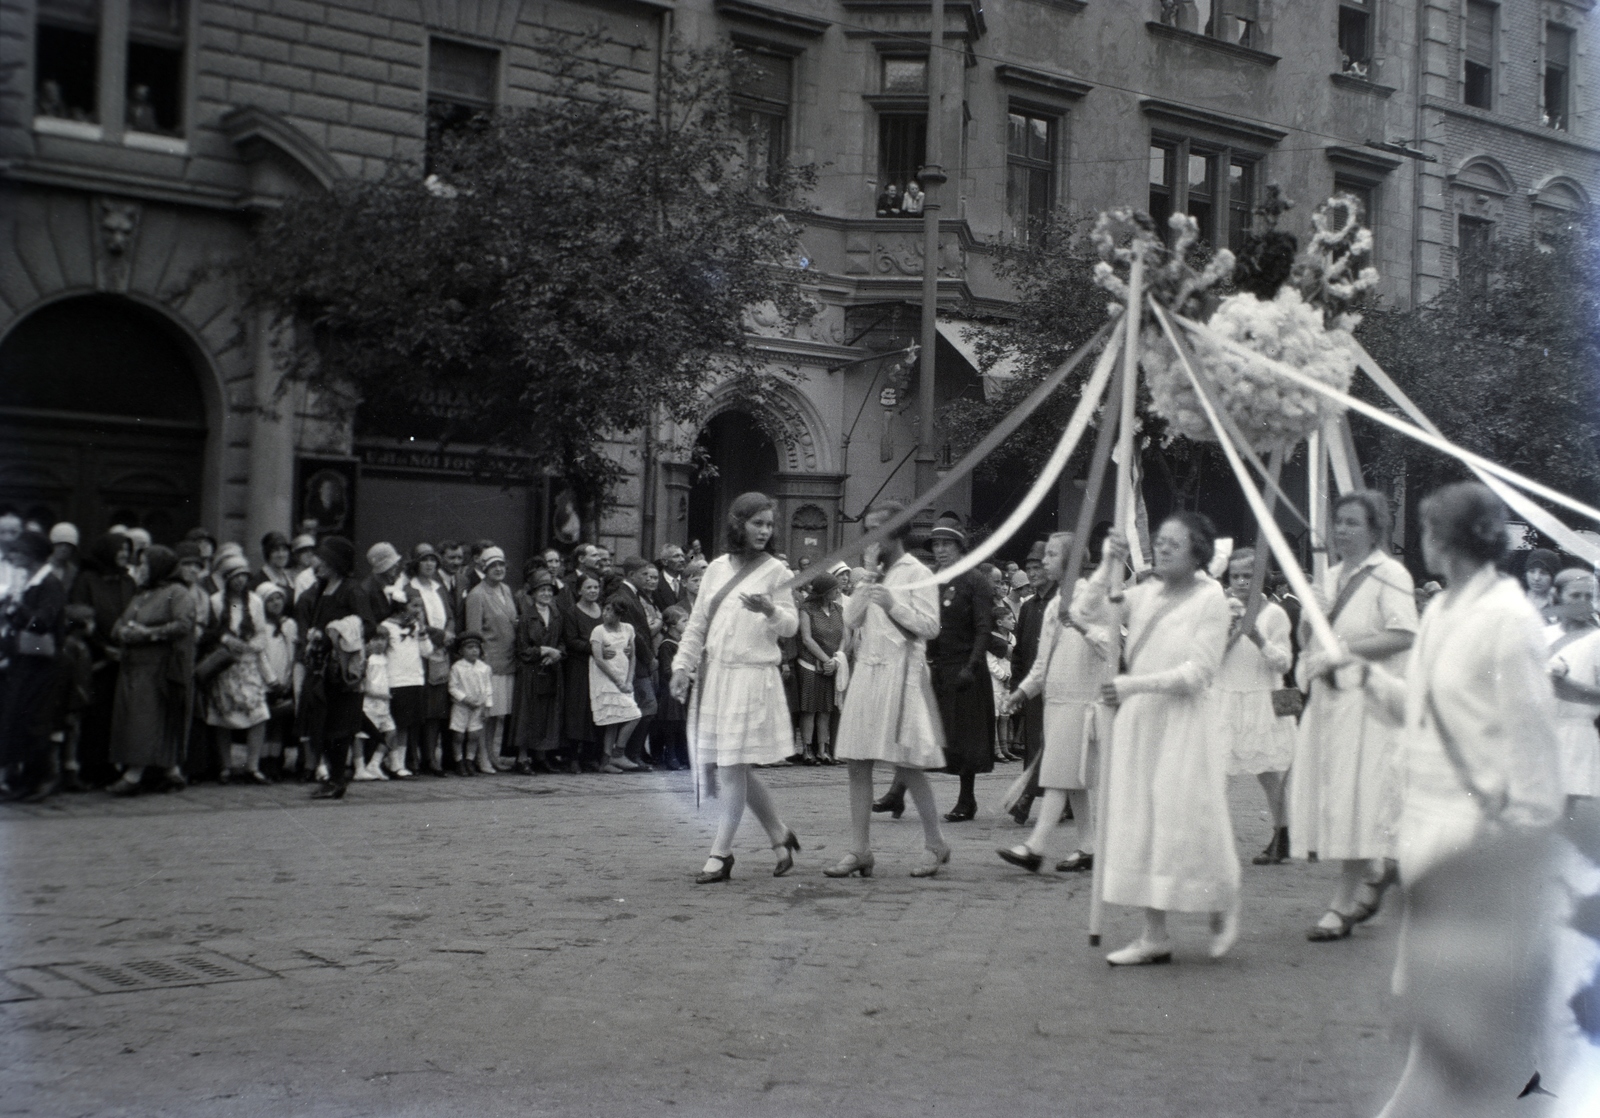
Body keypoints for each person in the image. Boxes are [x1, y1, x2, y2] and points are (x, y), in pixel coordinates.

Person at [1358, 483, 1562, 1118]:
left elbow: (1533, 743)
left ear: (1443, 540)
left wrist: (1523, 844)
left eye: (1427, 530)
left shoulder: (1509, 619)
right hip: (1425, 822)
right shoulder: (1443, 612)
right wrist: (1361, 677)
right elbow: (1419, 716)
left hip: (1478, 830)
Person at [1082, 514, 1241, 965]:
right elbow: (1081, 612)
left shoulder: (1211, 598)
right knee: (1142, 820)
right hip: (1140, 724)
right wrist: (1105, 566)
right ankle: (1154, 934)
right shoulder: (1144, 591)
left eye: (1174, 543)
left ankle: (1222, 898)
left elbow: (1199, 673)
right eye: (1159, 542)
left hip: (1184, 723)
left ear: (1198, 550)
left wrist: (1132, 685)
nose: (1163, 549)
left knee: (1187, 818)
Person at [1289, 491, 1418, 942]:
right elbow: (1311, 636)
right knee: (1336, 796)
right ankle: (1383, 867)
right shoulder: (1333, 574)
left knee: (1355, 799)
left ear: (1374, 529)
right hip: (1331, 703)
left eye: (1351, 522)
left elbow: (1403, 634)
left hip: (1370, 708)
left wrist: (1341, 652)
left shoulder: (1390, 573)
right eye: (1337, 521)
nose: (1341, 530)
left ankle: (1342, 903)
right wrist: (1310, 621)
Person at [669, 492, 802, 884]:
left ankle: (720, 853)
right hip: (719, 676)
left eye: (768, 525)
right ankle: (779, 833)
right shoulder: (715, 569)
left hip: (752, 677)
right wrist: (681, 666)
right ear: (738, 524)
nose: (764, 531)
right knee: (734, 765)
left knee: (730, 767)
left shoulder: (776, 571)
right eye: (757, 523)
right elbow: (697, 624)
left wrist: (770, 611)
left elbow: (792, 626)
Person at [825, 501, 951, 879]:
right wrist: (868, 580)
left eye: (877, 528)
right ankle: (860, 849)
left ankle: (936, 843)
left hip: (903, 673)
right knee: (857, 761)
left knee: (908, 764)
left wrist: (894, 604)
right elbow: (851, 618)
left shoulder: (919, 572)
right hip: (868, 669)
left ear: (897, 531)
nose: (870, 536)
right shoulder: (870, 574)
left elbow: (930, 628)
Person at [997, 530, 1111, 875]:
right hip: (1056, 703)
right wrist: (1022, 692)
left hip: (1082, 702)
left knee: (1060, 776)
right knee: (1071, 779)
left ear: (1071, 560)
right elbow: (1043, 663)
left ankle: (1036, 846)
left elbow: (1109, 647)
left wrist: (1081, 626)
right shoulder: (1051, 605)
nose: (1043, 561)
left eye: (1051, 555)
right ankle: (1089, 847)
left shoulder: (1092, 599)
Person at [1216, 548, 1298, 866]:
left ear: (1260, 577)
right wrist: (1230, 633)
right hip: (1227, 699)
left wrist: (1259, 639)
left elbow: (1284, 660)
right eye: (1234, 576)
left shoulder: (1274, 614)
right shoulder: (1223, 610)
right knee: (1218, 772)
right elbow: (1210, 658)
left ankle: (1283, 834)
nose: (1239, 582)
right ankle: (1212, 841)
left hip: (1260, 699)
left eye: (1247, 576)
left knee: (1268, 774)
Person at [106, 545, 197, 795]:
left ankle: (134, 775)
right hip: (134, 668)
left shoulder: (177, 593)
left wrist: (149, 634)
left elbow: (183, 624)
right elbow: (119, 625)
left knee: (146, 721)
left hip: (159, 669)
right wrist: (124, 632)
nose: (140, 570)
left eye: (145, 565)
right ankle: (170, 773)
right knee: (137, 719)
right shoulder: (142, 594)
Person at [925, 516, 999, 822]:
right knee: (927, 732)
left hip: (966, 669)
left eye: (947, 544)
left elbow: (984, 627)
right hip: (938, 666)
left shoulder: (975, 580)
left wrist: (972, 666)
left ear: (960, 546)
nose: (941, 550)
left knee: (966, 737)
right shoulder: (931, 578)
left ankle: (966, 799)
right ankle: (898, 792)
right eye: (937, 544)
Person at [296, 536, 376, 800]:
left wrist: (339, 630)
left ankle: (338, 779)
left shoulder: (352, 590)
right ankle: (331, 777)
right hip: (321, 667)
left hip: (341, 670)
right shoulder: (320, 588)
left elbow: (367, 626)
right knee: (321, 722)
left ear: (335, 563)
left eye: (322, 559)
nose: (315, 563)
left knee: (340, 725)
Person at [0, 532, 68, 799]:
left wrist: (17, 608)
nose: (13, 556)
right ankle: (27, 779)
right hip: (26, 661)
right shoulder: (29, 582)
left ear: (31, 555)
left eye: (18, 552)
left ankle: (46, 778)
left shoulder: (49, 584)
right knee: (21, 718)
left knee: (36, 720)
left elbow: (42, 623)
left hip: (43, 664)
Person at [67, 531, 135, 787]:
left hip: (124, 658)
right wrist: (103, 647)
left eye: (127, 552)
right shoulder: (87, 579)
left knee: (118, 715)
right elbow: (79, 615)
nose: (124, 556)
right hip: (96, 659)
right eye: (120, 551)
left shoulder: (128, 580)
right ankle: (91, 768)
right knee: (96, 714)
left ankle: (113, 765)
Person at [199, 551, 272, 784]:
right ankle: (226, 766)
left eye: (243, 576)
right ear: (227, 578)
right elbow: (211, 632)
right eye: (235, 576)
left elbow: (262, 633)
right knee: (224, 715)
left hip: (248, 665)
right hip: (225, 664)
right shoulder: (216, 601)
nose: (240, 581)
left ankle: (252, 765)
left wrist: (249, 646)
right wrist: (227, 641)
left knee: (258, 714)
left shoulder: (255, 601)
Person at [1005, 539, 1052, 823]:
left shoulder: (1060, 603)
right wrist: (1017, 688)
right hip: (1033, 689)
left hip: (1057, 687)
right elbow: (1020, 651)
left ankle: (1027, 798)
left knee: (1052, 745)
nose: (1033, 573)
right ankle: (1039, 796)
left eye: (1038, 567)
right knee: (1035, 744)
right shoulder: (1028, 607)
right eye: (1029, 568)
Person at [1545, 568, 1600, 806]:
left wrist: (1566, 686)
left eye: (1589, 597)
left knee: (1564, 818)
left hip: (1575, 736)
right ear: (1556, 596)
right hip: (1540, 733)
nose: (1583, 603)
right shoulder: (1542, 634)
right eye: (1575, 596)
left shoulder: (1596, 640)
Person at [464, 546, 516, 773]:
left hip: (508, 660)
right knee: (485, 713)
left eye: (501, 565)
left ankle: (492, 754)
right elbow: (474, 633)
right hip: (489, 663)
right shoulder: (477, 595)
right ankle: (481, 757)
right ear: (484, 568)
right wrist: (480, 663)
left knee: (498, 713)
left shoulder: (506, 589)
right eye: (493, 565)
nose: (498, 569)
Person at [406, 543, 454, 775]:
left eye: (433, 560)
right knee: (418, 705)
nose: (429, 564)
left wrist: (449, 633)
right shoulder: (410, 589)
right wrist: (441, 636)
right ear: (416, 563)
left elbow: (450, 615)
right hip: (418, 652)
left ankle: (430, 757)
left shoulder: (439, 587)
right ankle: (412, 757)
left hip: (440, 653)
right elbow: (415, 619)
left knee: (436, 707)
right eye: (424, 560)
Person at [610, 557, 659, 769]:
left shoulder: (632, 595)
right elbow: (635, 633)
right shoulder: (625, 597)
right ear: (631, 575)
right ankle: (627, 753)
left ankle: (633, 753)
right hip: (636, 662)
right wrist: (649, 658)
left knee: (644, 707)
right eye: (643, 575)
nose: (647, 579)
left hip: (639, 661)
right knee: (647, 706)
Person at [511, 569, 563, 772]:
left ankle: (541, 756)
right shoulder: (526, 618)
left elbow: (562, 642)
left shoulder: (557, 616)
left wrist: (557, 653)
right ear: (533, 593)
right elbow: (522, 650)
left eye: (549, 590)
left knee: (547, 715)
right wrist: (543, 650)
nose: (546, 594)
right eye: (542, 590)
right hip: (530, 673)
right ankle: (522, 758)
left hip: (551, 671)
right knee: (527, 715)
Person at [377, 593, 430, 780]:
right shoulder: (386, 626)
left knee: (406, 725)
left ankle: (399, 763)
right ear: (402, 607)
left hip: (414, 679)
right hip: (395, 680)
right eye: (415, 606)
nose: (419, 611)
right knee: (395, 723)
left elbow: (427, 651)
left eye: (420, 607)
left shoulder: (415, 626)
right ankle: (392, 762)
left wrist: (422, 628)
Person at [590, 596, 643, 773]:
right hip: (607, 678)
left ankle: (607, 761)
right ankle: (617, 754)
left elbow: (633, 655)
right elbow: (598, 659)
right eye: (604, 609)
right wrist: (618, 681)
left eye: (609, 610)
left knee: (617, 719)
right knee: (632, 715)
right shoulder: (598, 631)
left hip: (623, 677)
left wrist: (628, 680)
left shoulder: (628, 629)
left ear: (619, 614)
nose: (605, 613)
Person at [796, 573, 844, 765]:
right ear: (825, 592)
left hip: (831, 664)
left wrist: (836, 659)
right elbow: (807, 638)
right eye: (834, 589)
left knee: (825, 709)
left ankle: (823, 750)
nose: (838, 591)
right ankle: (807, 749)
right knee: (810, 709)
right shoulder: (807, 609)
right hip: (810, 663)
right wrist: (825, 659)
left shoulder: (839, 609)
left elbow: (844, 636)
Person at [560, 573, 605, 771]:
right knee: (578, 710)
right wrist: (595, 649)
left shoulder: (602, 611)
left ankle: (590, 755)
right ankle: (572, 757)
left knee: (595, 709)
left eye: (596, 587)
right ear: (579, 590)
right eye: (589, 587)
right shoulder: (572, 612)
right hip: (579, 667)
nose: (593, 591)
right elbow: (571, 641)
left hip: (599, 667)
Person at [256, 582, 297, 779]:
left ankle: (276, 759)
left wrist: (288, 679)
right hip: (266, 682)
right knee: (266, 722)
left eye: (278, 598)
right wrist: (271, 680)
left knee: (279, 724)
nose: (275, 603)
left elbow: (291, 653)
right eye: (270, 600)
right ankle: (264, 761)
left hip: (284, 680)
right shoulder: (261, 626)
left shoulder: (289, 625)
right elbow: (261, 655)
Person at [448, 632, 493, 776]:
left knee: (474, 734)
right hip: (461, 706)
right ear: (461, 651)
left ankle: (469, 760)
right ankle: (459, 761)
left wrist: (487, 706)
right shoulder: (457, 667)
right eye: (469, 647)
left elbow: (488, 688)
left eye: (476, 648)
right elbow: (452, 687)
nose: (474, 650)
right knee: (459, 735)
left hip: (478, 707)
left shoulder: (484, 668)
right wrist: (465, 699)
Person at [653, 606, 690, 771]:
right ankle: (671, 755)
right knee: (672, 723)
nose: (688, 624)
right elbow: (667, 670)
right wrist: (688, 675)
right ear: (673, 625)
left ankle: (683, 755)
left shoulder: (682, 643)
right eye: (684, 621)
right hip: (670, 690)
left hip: (682, 688)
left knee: (682, 724)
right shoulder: (667, 645)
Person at [1524, 547, 1562, 626]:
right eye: (1532, 571)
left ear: (1553, 577)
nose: (1536, 578)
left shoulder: (1559, 605)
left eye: (1543, 573)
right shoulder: (1517, 599)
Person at [258, 532, 295, 596]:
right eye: (276, 550)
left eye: (284, 550)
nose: (281, 555)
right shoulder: (259, 581)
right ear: (268, 554)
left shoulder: (290, 578)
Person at [47, 522, 80, 594]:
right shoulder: (41, 566)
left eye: (68, 546)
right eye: (60, 544)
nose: (64, 549)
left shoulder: (73, 572)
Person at [654, 544, 687, 612]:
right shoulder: (655, 583)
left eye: (682, 556)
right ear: (664, 562)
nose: (682, 560)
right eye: (676, 556)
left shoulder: (689, 581)